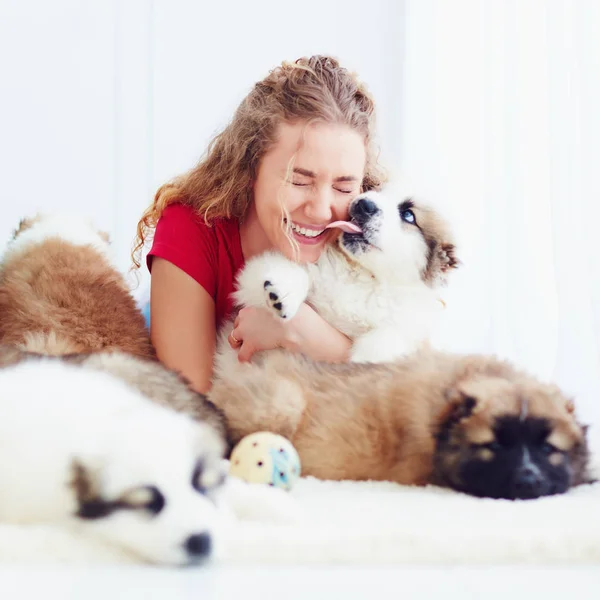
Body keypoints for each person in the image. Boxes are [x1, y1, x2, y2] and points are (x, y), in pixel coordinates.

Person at [132, 55, 385, 394]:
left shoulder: (369, 244)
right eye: (299, 180)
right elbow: (195, 408)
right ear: (250, 169)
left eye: (343, 187)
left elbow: (415, 381)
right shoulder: (191, 228)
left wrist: (302, 333)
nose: (322, 211)